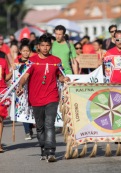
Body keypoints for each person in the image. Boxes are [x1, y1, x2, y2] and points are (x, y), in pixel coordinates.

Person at [16, 34, 70, 162]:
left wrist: (64, 79)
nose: (45, 48)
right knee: (40, 127)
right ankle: (43, 148)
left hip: (52, 96)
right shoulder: (32, 60)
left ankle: (51, 151)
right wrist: (20, 86)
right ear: (38, 47)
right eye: (43, 46)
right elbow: (25, 76)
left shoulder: (56, 61)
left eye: (48, 45)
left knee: (49, 124)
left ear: (50, 46)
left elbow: (60, 76)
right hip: (36, 98)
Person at [16, 38, 34, 140]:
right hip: (22, 90)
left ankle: (31, 126)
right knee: (23, 109)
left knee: (31, 109)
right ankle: (27, 131)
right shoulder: (17, 63)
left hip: (32, 88)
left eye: (27, 51)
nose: (26, 53)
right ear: (20, 51)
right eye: (24, 51)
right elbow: (14, 76)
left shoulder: (33, 62)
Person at [0, 53, 12, 153]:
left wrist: (13, 72)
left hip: (2, 92)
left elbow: (6, 78)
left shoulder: (3, 61)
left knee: (0, 119)